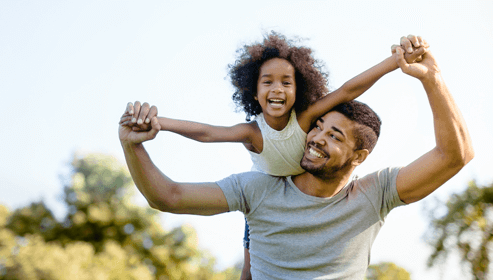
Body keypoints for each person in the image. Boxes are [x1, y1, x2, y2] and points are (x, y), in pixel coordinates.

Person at [119, 36, 473, 279]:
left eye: (334, 136)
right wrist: (133, 145)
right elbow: (168, 196)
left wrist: (432, 77)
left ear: (359, 156)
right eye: (318, 126)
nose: (316, 137)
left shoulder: (373, 194)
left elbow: (454, 155)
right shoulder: (258, 189)